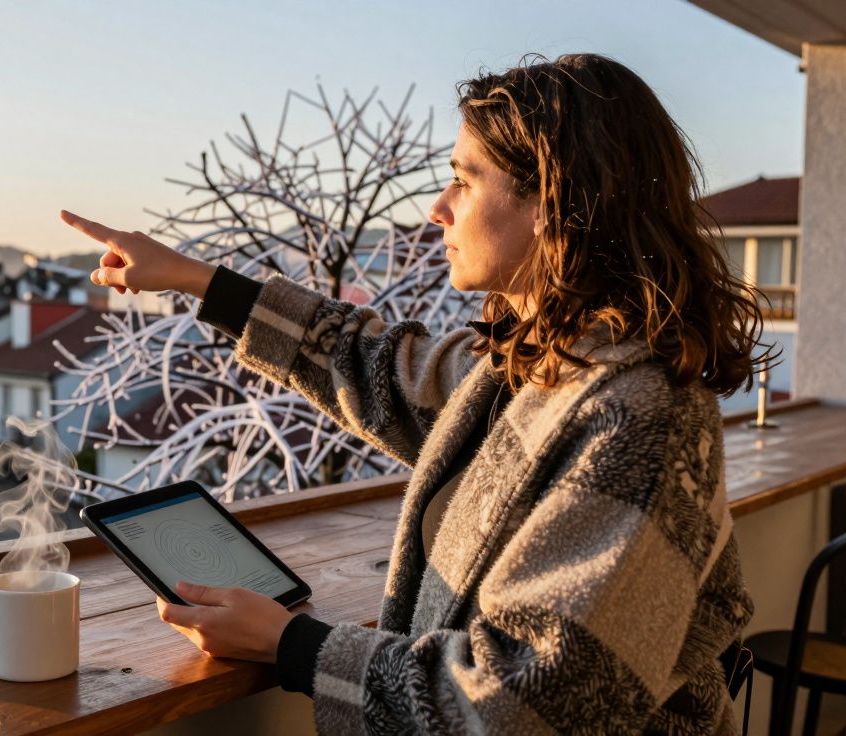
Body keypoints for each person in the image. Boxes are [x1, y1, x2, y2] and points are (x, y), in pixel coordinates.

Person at [60, 53, 765, 734]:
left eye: (465, 180)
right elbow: (383, 370)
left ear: (551, 201)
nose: (438, 208)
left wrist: (295, 646)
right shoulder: (540, 369)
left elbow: (525, 706)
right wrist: (196, 280)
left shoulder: (635, 417)